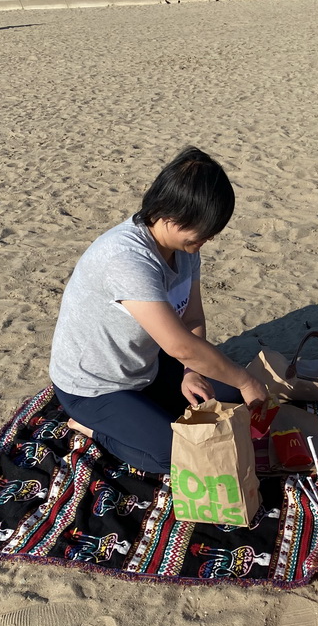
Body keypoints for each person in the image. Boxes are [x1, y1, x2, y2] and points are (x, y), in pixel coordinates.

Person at [49, 146, 268, 474]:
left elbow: (192, 319)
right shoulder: (127, 259)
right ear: (169, 213)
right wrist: (247, 379)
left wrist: (190, 372)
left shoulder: (185, 248)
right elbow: (180, 345)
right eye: (204, 230)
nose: (208, 238)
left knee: (231, 401)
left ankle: (147, 412)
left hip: (145, 364)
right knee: (178, 457)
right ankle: (93, 429)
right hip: (93, 386)